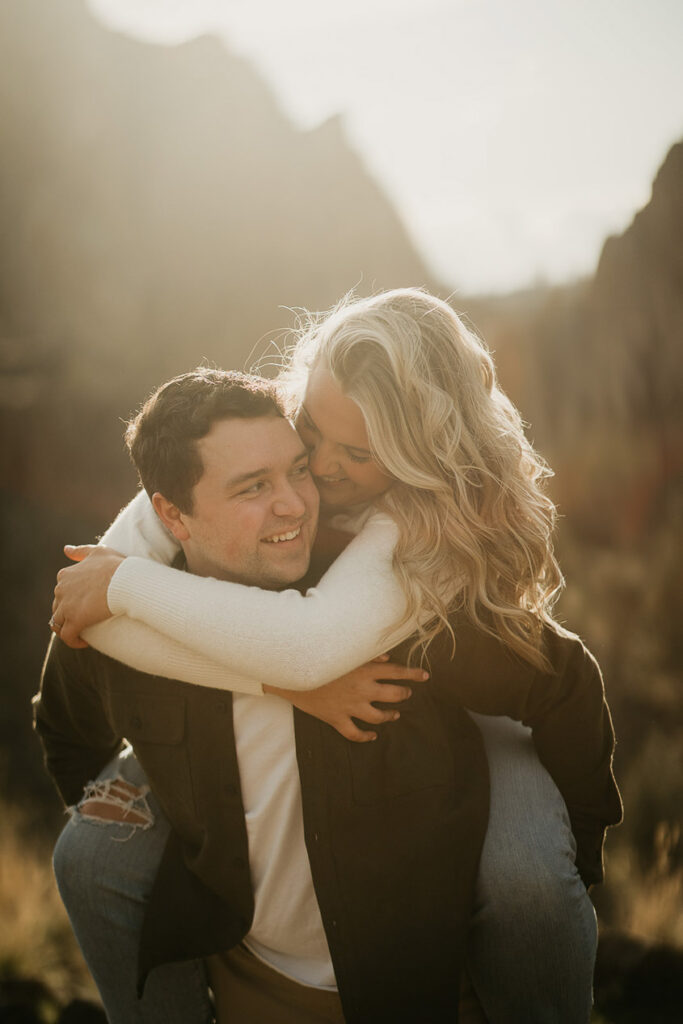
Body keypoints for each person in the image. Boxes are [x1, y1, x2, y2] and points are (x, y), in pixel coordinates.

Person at [49, 289, 622, 1021]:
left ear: (418, 452)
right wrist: (280, 685)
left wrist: (126, 584)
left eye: (355, 454)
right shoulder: (259, 438)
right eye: (312, 430)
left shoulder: (426, 518)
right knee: (94, 857)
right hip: (307, 681)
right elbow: (89, 617)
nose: (318, 468)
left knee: (529, 881)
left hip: (481, 700)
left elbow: (309, 646)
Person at [35, 369, 430, 1024]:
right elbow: (64, 730)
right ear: (170, 514)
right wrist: (164, 828)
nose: (296, 505)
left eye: (297, 471)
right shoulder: (111, 620)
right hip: (241, 968)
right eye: (253, 487)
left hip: (408, 980)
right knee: (89, 854)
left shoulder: (362, 593)